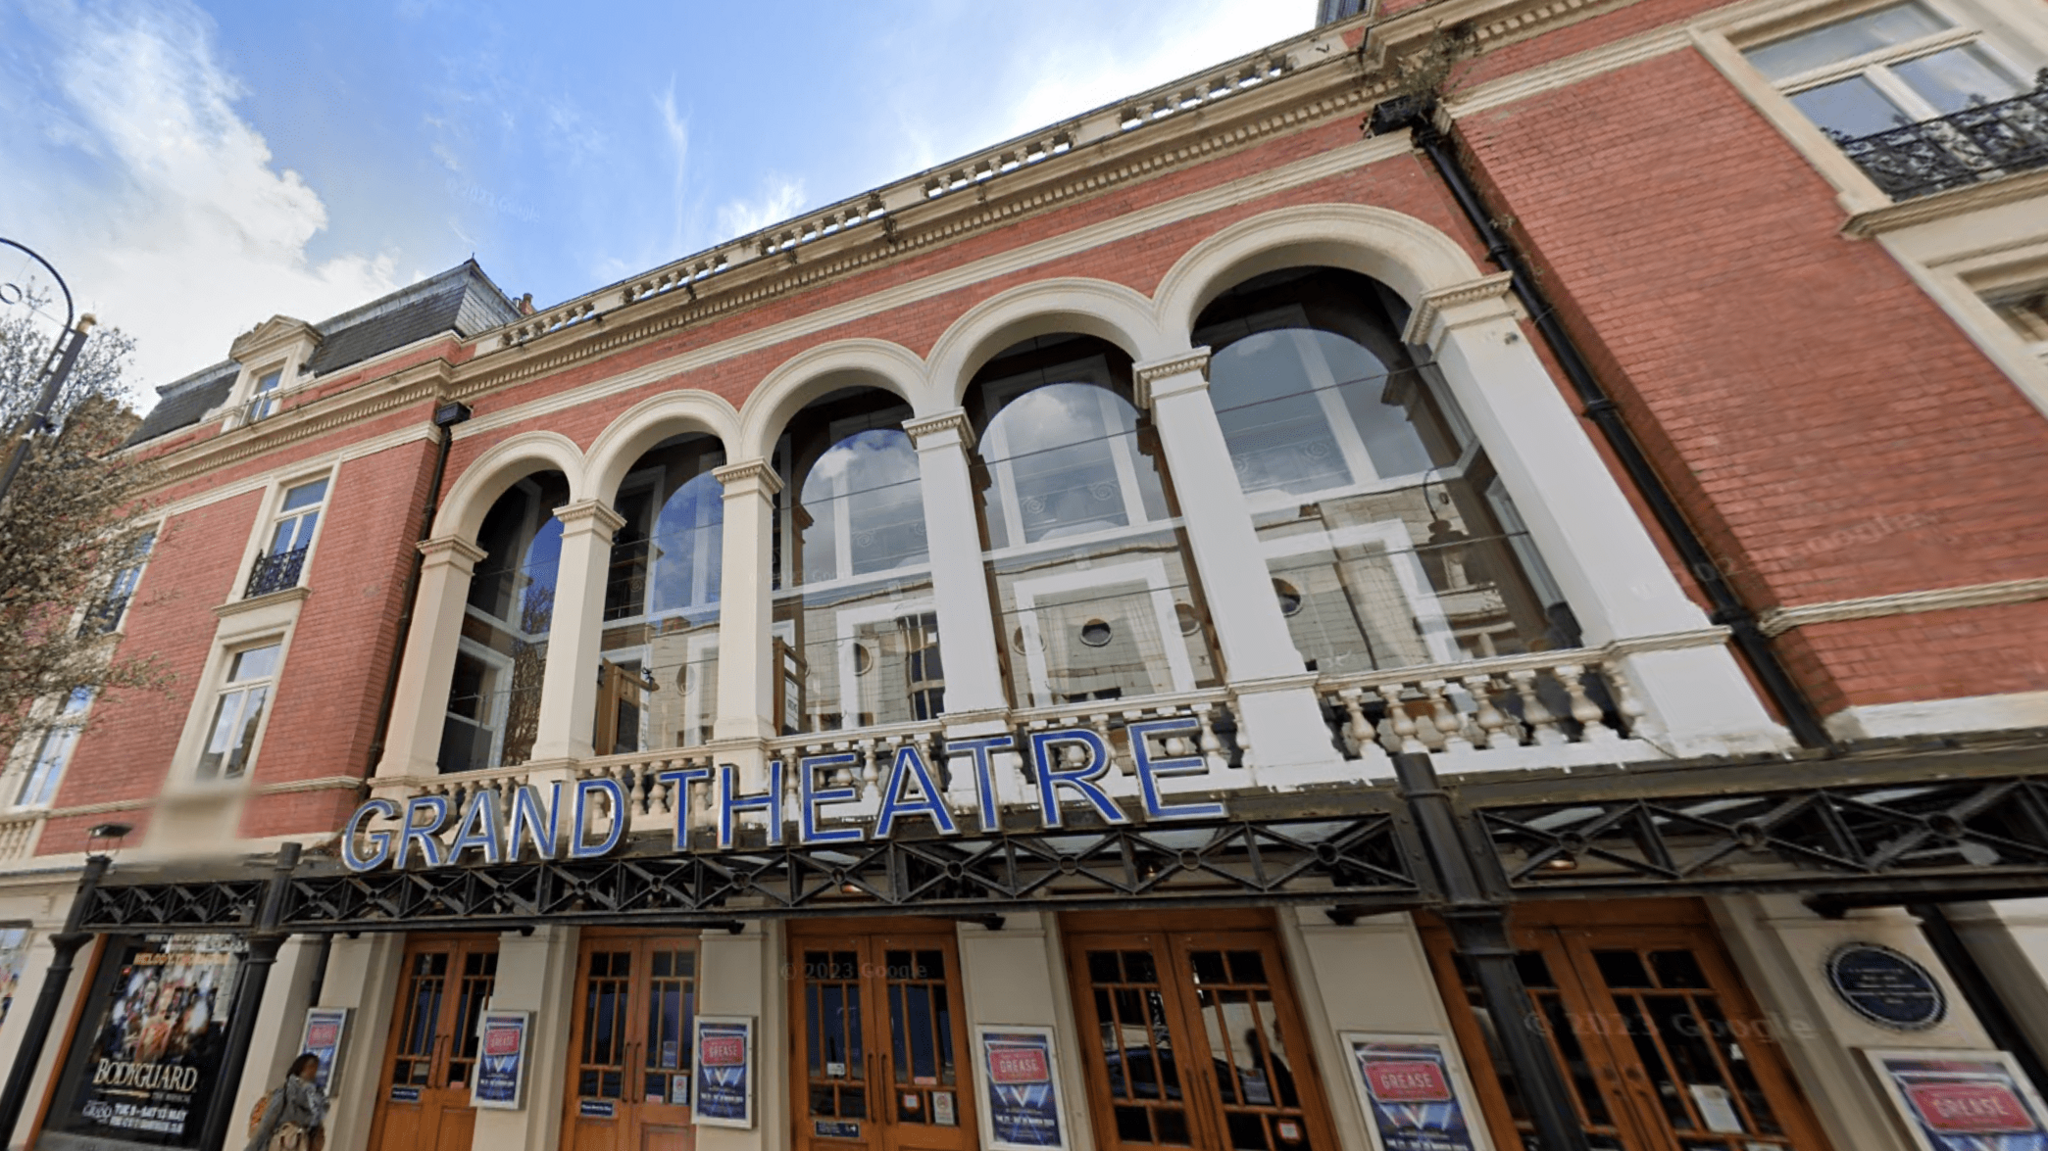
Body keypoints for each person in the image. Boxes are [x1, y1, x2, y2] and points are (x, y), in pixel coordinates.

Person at [246, 1054, 326, 1151]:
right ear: (299, 1070)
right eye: (311, 1067)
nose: (314, 1072)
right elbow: (263, 1130)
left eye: (317, 1069)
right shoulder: (282, 1096)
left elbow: (317, 1142)